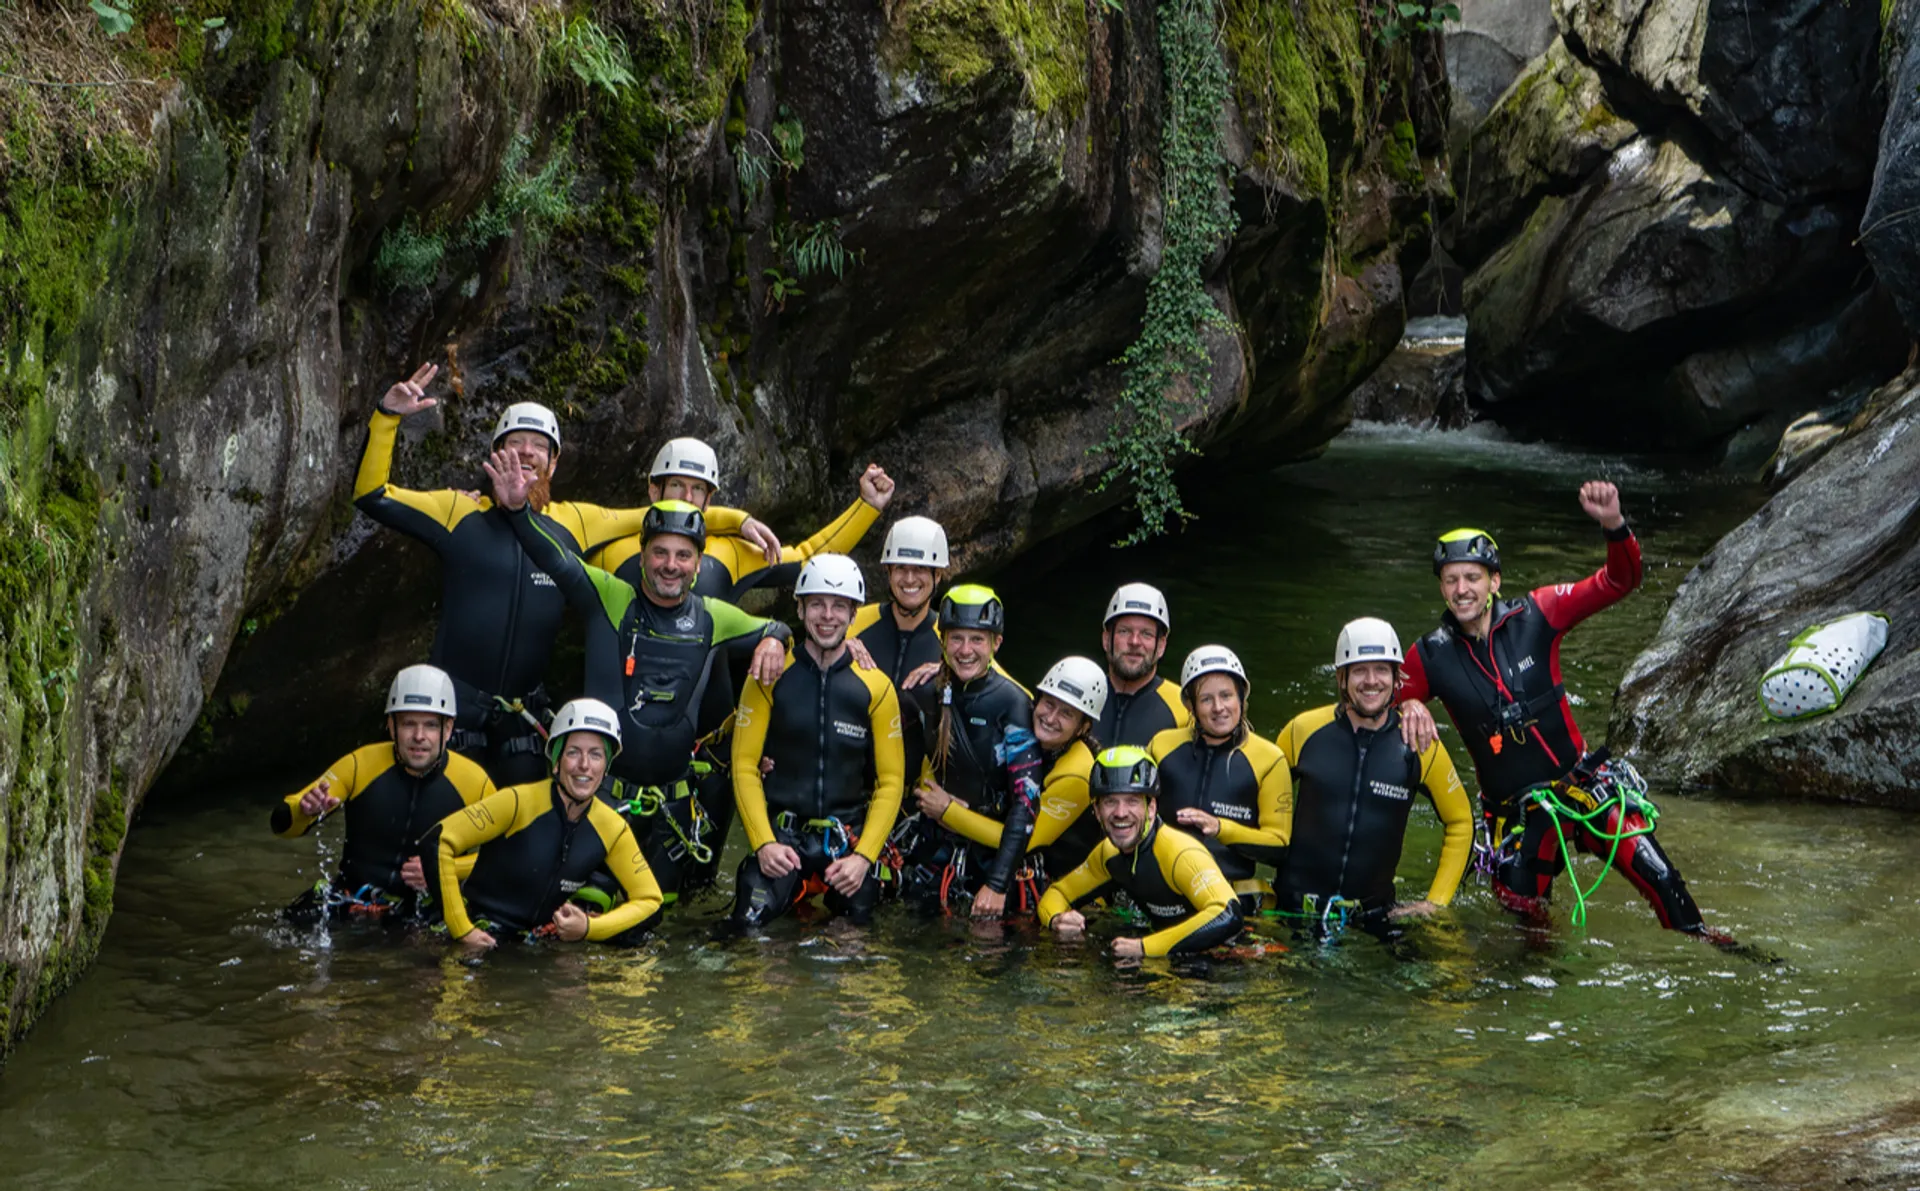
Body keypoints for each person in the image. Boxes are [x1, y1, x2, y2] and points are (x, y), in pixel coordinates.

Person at [353, 365, 757, 784]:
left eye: (538, 445)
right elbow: (372, 496)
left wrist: (738, 520)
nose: (527, 451)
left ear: (554, 462)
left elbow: (671, 516)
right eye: (515, 443)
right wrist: (386, 417)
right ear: (496, 454)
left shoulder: (577, 522)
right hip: (455, 713)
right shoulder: (458, 512)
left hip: (523, 721)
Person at [1397, 482, 1728, 942]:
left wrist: (1613, 524)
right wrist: (1409, 701)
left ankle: (1715, 948)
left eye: (1472, 577)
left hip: (1583, 787)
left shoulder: (1539, 613)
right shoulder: (1428, 656)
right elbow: (1377, 700)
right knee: (1525, 927)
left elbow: (1619, 581)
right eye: (1451, 580)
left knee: (1664, 882)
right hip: (1514, 814)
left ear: (1494, 581)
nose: (1461, 589)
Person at [484, 454, 792, 899]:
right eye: (660, 552)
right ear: (642, 555)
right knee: (585, 916)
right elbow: (557, 560)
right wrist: (516, 511)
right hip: (604, 803)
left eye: (683, 555)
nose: (671, 565)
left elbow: (779, 628)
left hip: (673, 809)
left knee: (659, 924)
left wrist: (776, 638)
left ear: (699, 564)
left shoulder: (714, 617)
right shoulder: (611, 598)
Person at [726, 554, 906, 930]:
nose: (828, 616)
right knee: (745, 930)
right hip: (784, 839)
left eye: (839, 606)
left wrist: (865, 858)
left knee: (857, 943)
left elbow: (891, 782)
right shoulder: (768, 675)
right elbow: (744, 765)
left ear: (854, 614)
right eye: (817, 604)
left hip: (847, 843)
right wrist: (763, 844)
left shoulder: (876, 686)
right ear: (800, 607)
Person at [1275, 619, 1474, 936]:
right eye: (1359, 671)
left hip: (1376, 919)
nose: (1371, 681)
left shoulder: (1419, 743)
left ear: (1397, 678)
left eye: (1382, 670)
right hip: (1293, 911)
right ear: (1342, 678)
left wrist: (1435, 903)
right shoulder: (1302, 731)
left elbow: (1462, 822)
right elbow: (1256, 797)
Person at [424, 699, 663, 948]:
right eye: (573, 752)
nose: (584, 765)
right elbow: (438, 841)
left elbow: (650, 901)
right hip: (484, 936)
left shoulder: (613, 828)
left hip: (537, 945)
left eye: (596, 755)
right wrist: (463, 931)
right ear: (557, 760)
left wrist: (589, 928)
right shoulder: (517, 802)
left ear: (606, 766)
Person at [272, 664, 495, 921]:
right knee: (289, 924)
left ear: (448, 729)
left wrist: (445, 868)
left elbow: (509, 857)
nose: (419, 736)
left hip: (425, 914)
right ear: (391, 726)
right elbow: (282, 825)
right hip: (354, 899)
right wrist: (304, 810)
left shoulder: (474, 782)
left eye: (431, 725)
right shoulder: (361, 764)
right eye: (408, 724)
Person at [591, 438, 894, 601]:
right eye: (676, 485)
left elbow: (808, 558)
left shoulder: (731, 552)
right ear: (654, 490)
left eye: (697, 489)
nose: (686, 498)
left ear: (709, 499)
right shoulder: (611, 549)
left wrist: (866, 507)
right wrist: (736, 519)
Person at [895, 585, 1043, 917]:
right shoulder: (922, 692)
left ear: (996, 644)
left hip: (990, 859)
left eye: (977, 640)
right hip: (935, 851)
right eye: (956, 639)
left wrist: (997, 885)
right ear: (943, 642)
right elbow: (895, 771)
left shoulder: (1013, 704)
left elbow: (1026, 801)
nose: (965, 650)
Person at [920, 655, 1106, 890]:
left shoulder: (1077, 774)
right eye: (1049, 704)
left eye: (1066, 714)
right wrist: (951, 669)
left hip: (1062, 888)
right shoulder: (1021, 710)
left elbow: (1024, 841)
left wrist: (947, 811)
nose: (1050, 718)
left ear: (1083, 727)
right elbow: (992, 666)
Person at [1038, 748, 1245, 958]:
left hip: (1225, 955)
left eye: (1132, 801)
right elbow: (1058, 893)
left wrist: (1144, 948)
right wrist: (1056, 919)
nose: (1120, 813)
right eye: (1110, 801)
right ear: (1097, 811)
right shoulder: (1108, 855)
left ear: (1151, 808)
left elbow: (1227, 914)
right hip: (1165, 954)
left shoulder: (1179, 853)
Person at [1148, 646, 1291, 915]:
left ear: (1241, 698)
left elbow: (1279, 845)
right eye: (1206, 699)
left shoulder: (1269, 759)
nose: (1218, 708)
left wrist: (1220, 828)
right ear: (1190, 705)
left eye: (1226, 696)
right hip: (1166, 895)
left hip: (1230, 899)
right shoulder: (1161, 746)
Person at [1097, 583, 1191, 747]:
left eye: (1146, 634)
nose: (1134, 642)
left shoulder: (1185, 707)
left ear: (1161, 646)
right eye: (1124, 631)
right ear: (1106, 639)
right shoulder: (1078, 698)